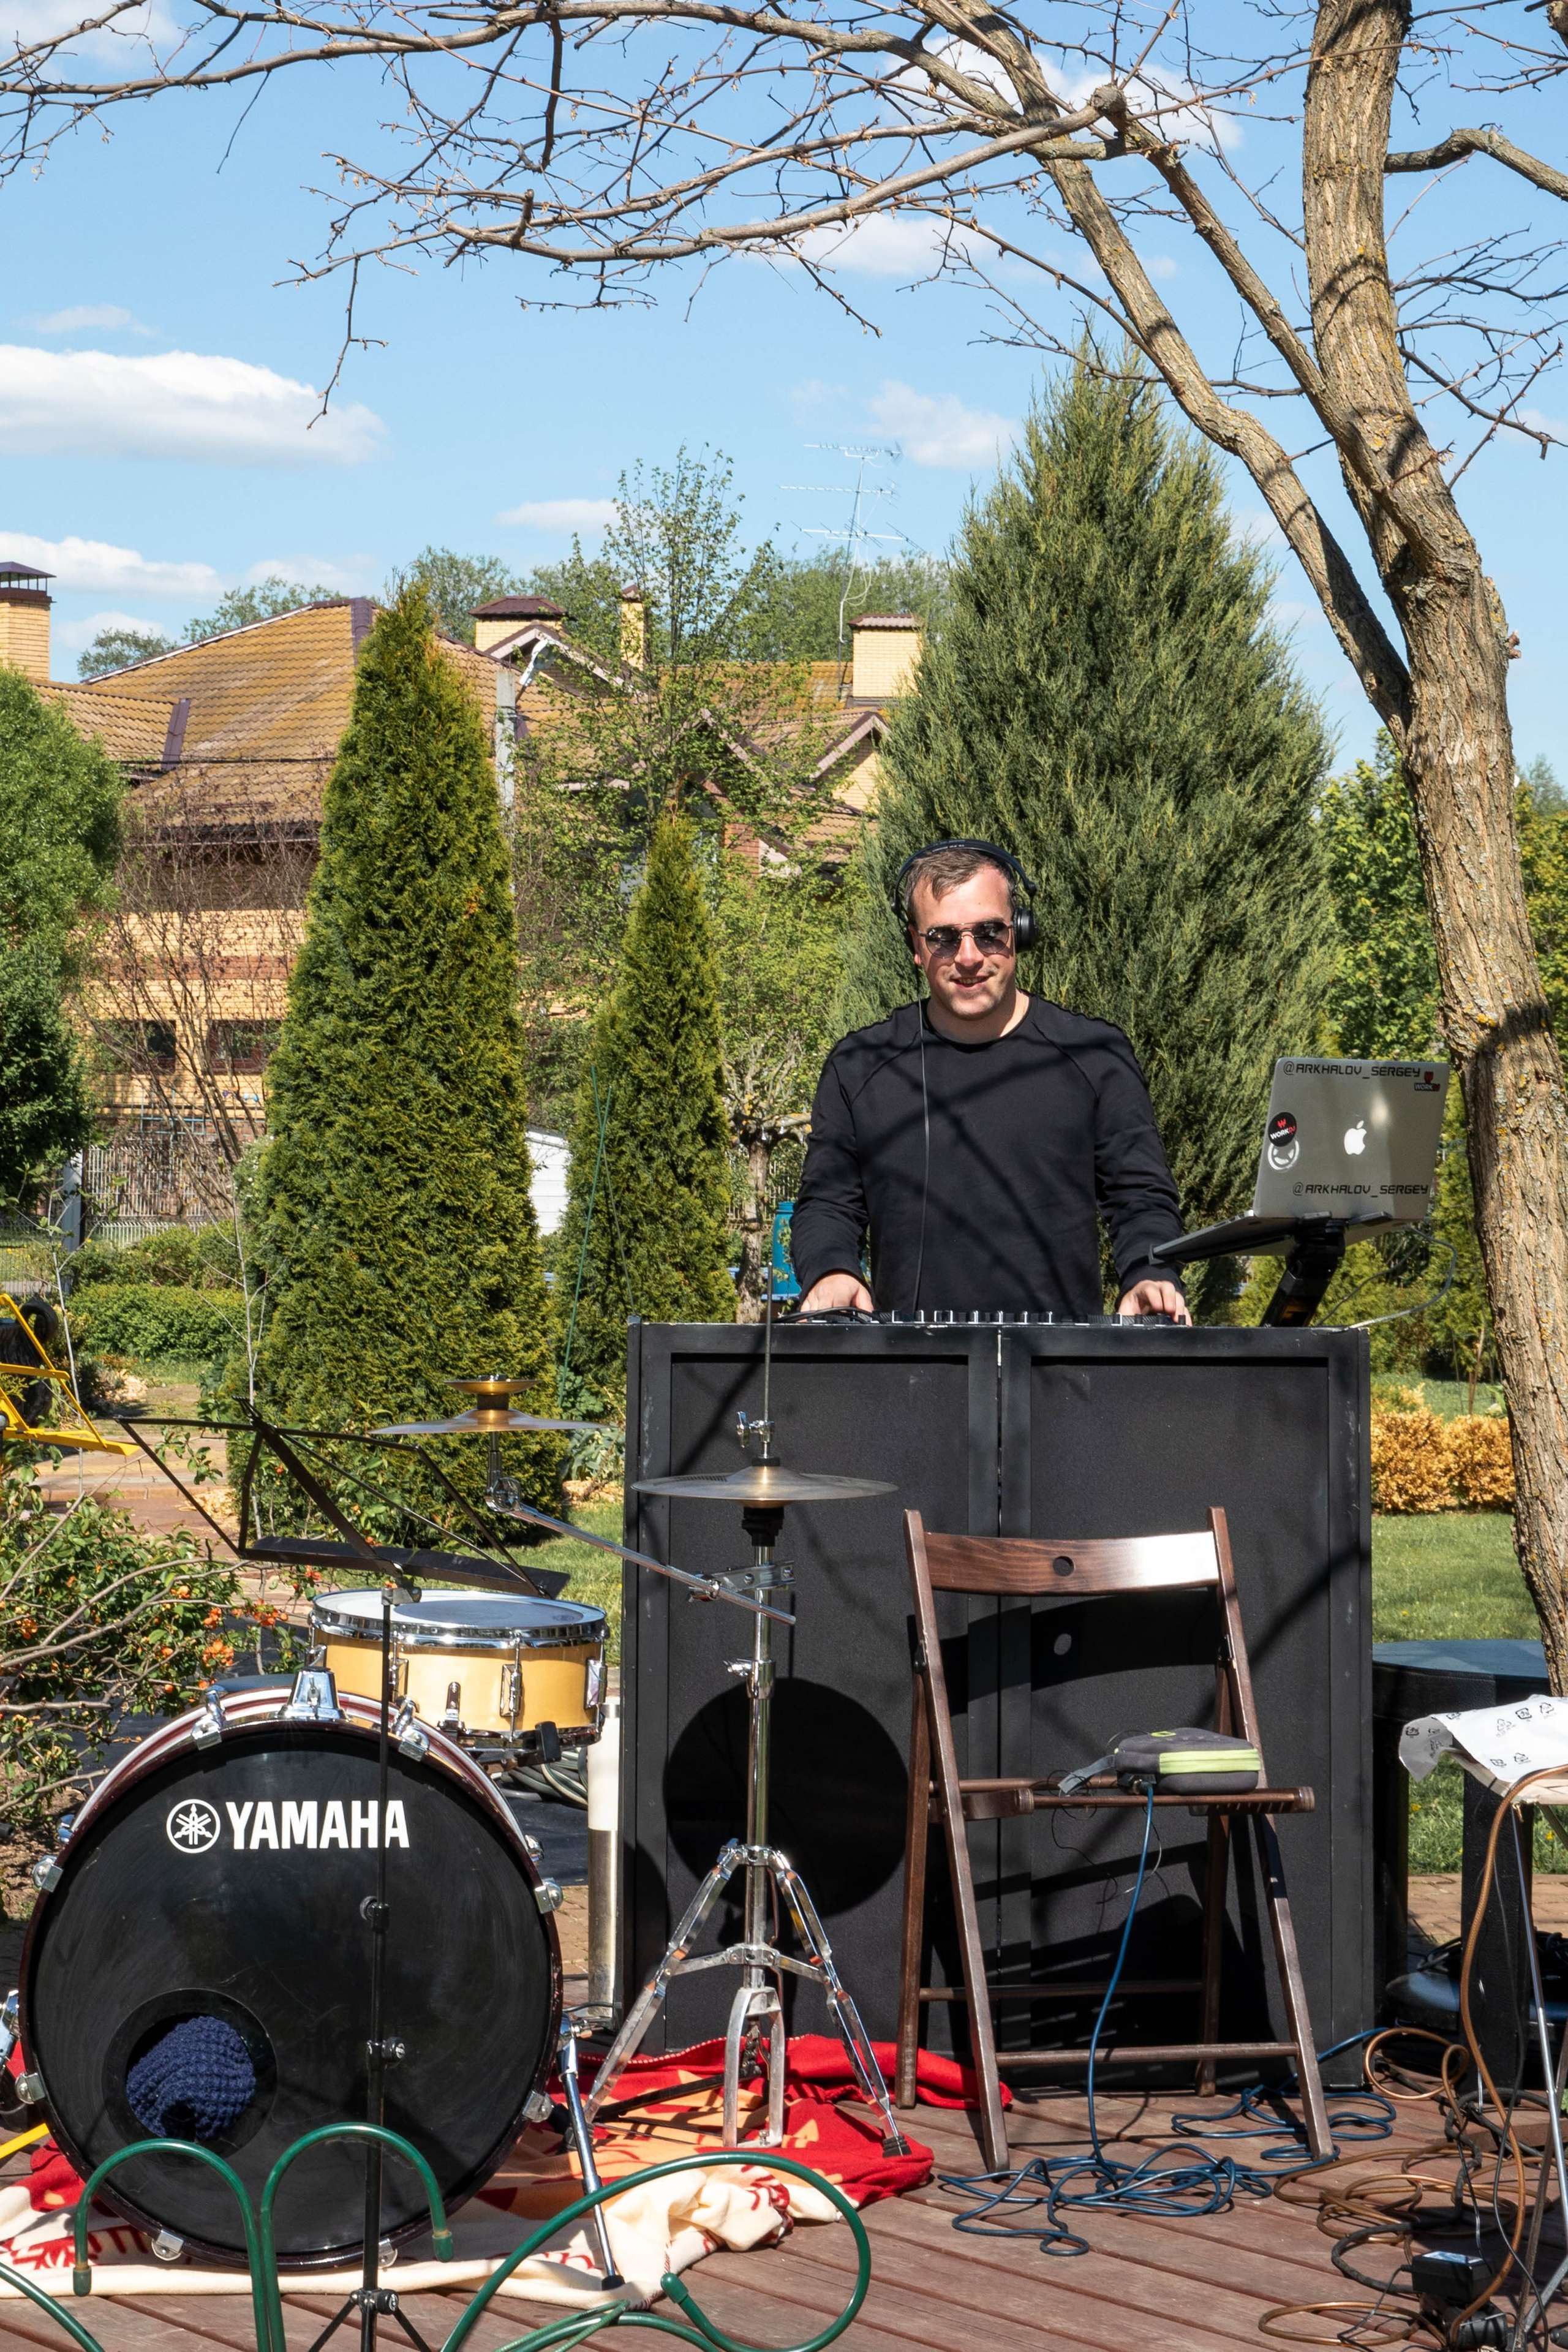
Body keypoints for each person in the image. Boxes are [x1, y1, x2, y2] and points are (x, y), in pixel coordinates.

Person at [791, 840, 1191, 1322]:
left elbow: (1140, 1197)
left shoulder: (1095, 1055)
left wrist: (1151, 1273)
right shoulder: (859, 1065)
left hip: (1058, 1372)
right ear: (914, 946)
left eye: (988, 932)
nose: (968, 957)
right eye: (942, 937)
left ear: (1019, 933)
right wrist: (833, 1271)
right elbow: (828, 1204)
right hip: (910, 1373)